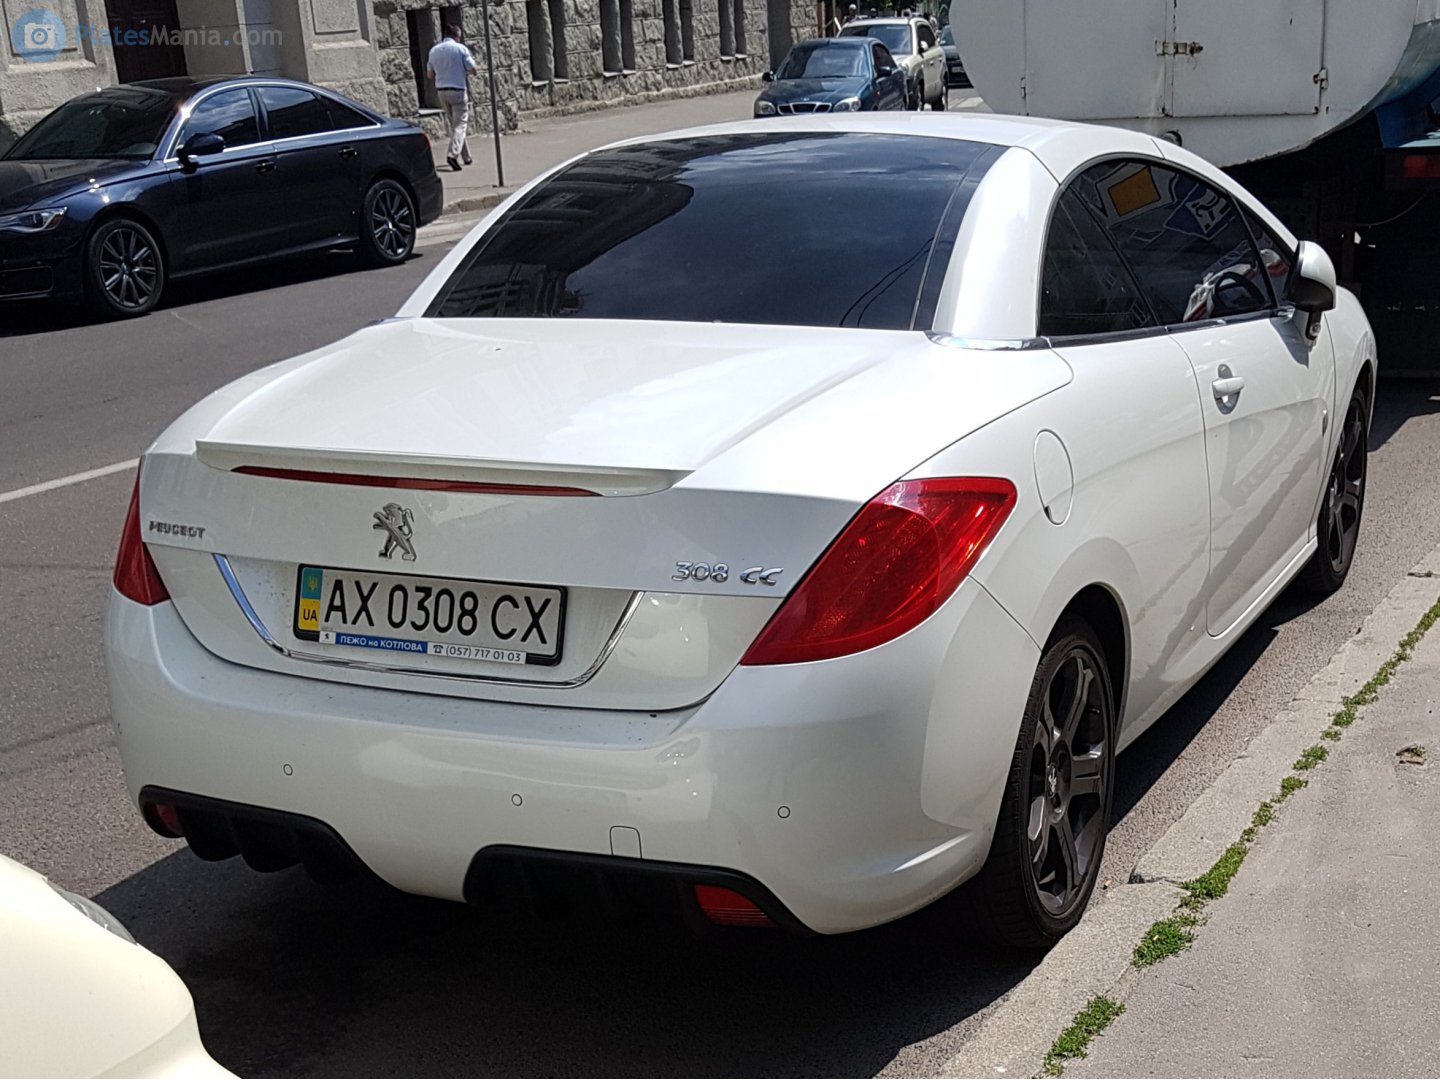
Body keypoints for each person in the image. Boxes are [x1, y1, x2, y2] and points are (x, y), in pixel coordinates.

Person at [427, 25, 477, 172]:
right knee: (460, 125)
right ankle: (452, 155)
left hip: (442, 91)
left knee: (455, 125)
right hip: (458, 91)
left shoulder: (434, 50)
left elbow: (430, 75)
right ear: (457, 36)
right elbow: (473, 69)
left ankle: (466, 157)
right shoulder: (460, 49)